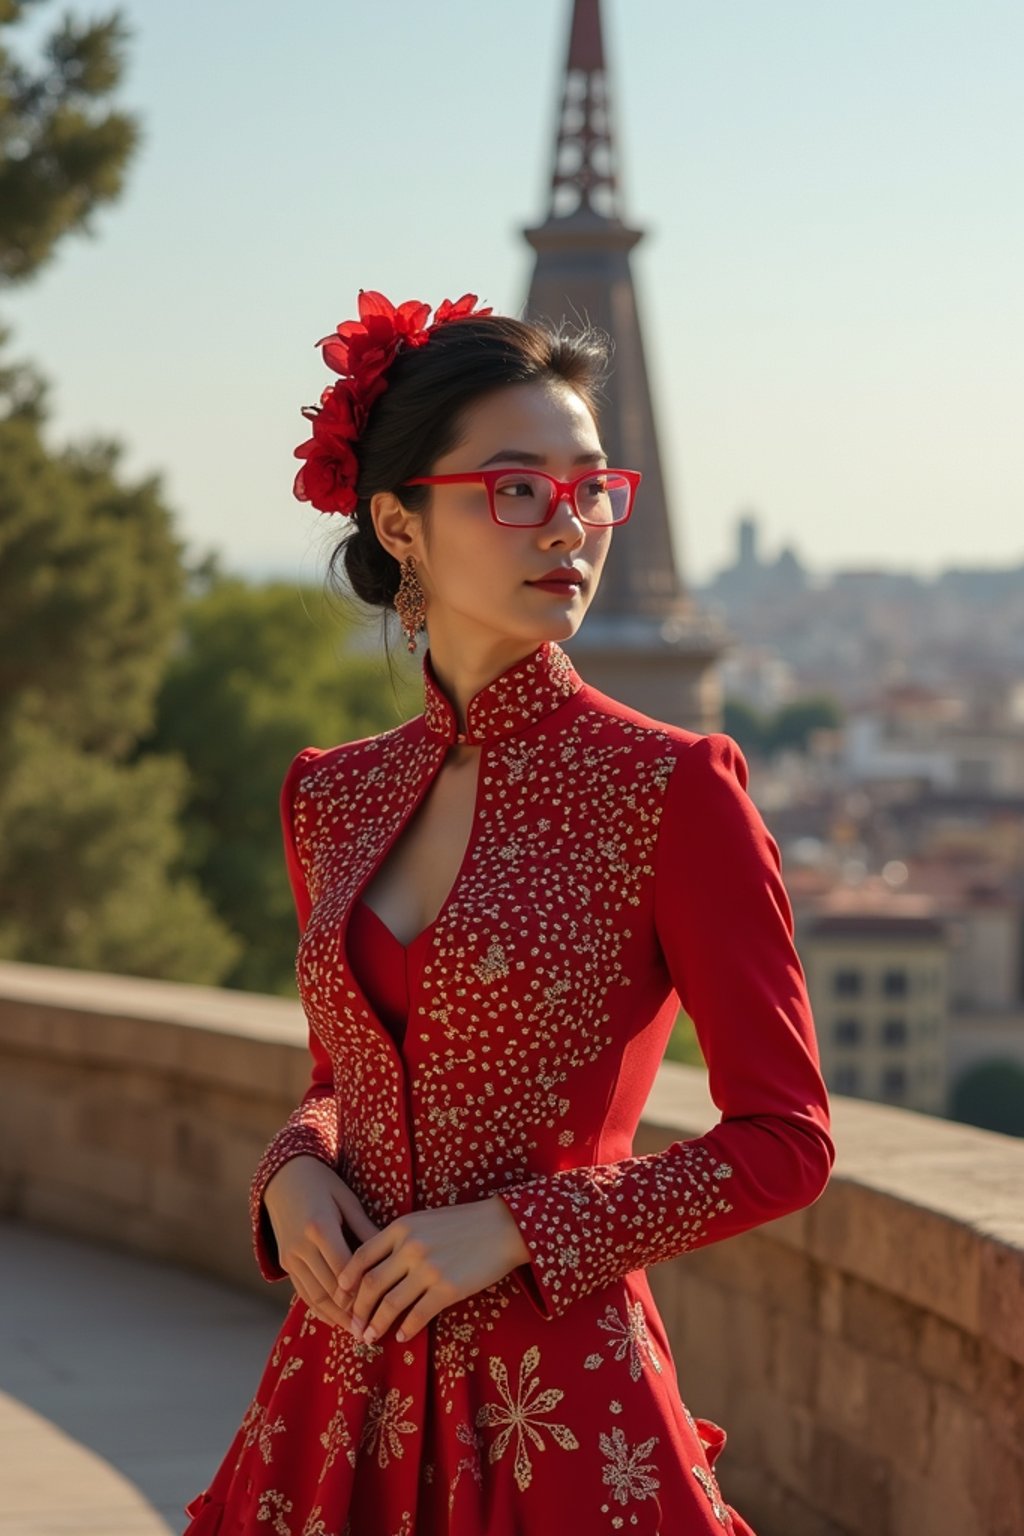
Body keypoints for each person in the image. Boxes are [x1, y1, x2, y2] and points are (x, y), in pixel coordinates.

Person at [182, 290, 834, 1536]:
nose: (572, 525)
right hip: (336, 1389)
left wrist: (516, 1229)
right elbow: (346, 1076)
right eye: (515, 486)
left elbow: (785, 1141)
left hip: (564, 1408)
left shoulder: (673, 790)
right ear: (399, 522)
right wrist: (293, 1170)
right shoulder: (331, 795)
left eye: (590, 486)